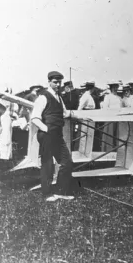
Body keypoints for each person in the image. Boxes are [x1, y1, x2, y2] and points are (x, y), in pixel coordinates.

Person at [31, 71, 85, 202]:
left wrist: (82, 117)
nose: (58, 84)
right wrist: (47, 129)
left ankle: (61, 191)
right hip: (46, 135)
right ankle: (47, 193)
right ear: (49, 82)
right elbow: (34, 118)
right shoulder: (43, 97)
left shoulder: (59, 97)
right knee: (47, 164)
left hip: (57, 135)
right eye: (55, 82)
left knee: (66, 162)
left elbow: (65, 114)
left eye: (59, 82)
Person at [101, 81, 122, 152]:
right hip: (110, 118)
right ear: (111, 88)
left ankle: (117, 151)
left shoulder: (119, 98)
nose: (115, 88)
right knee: (109, 135)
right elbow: (105, 108)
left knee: (117, 136)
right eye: (114, 87)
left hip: (118, 119)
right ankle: (108, 150)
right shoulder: (107, 97)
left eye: (116, 87)